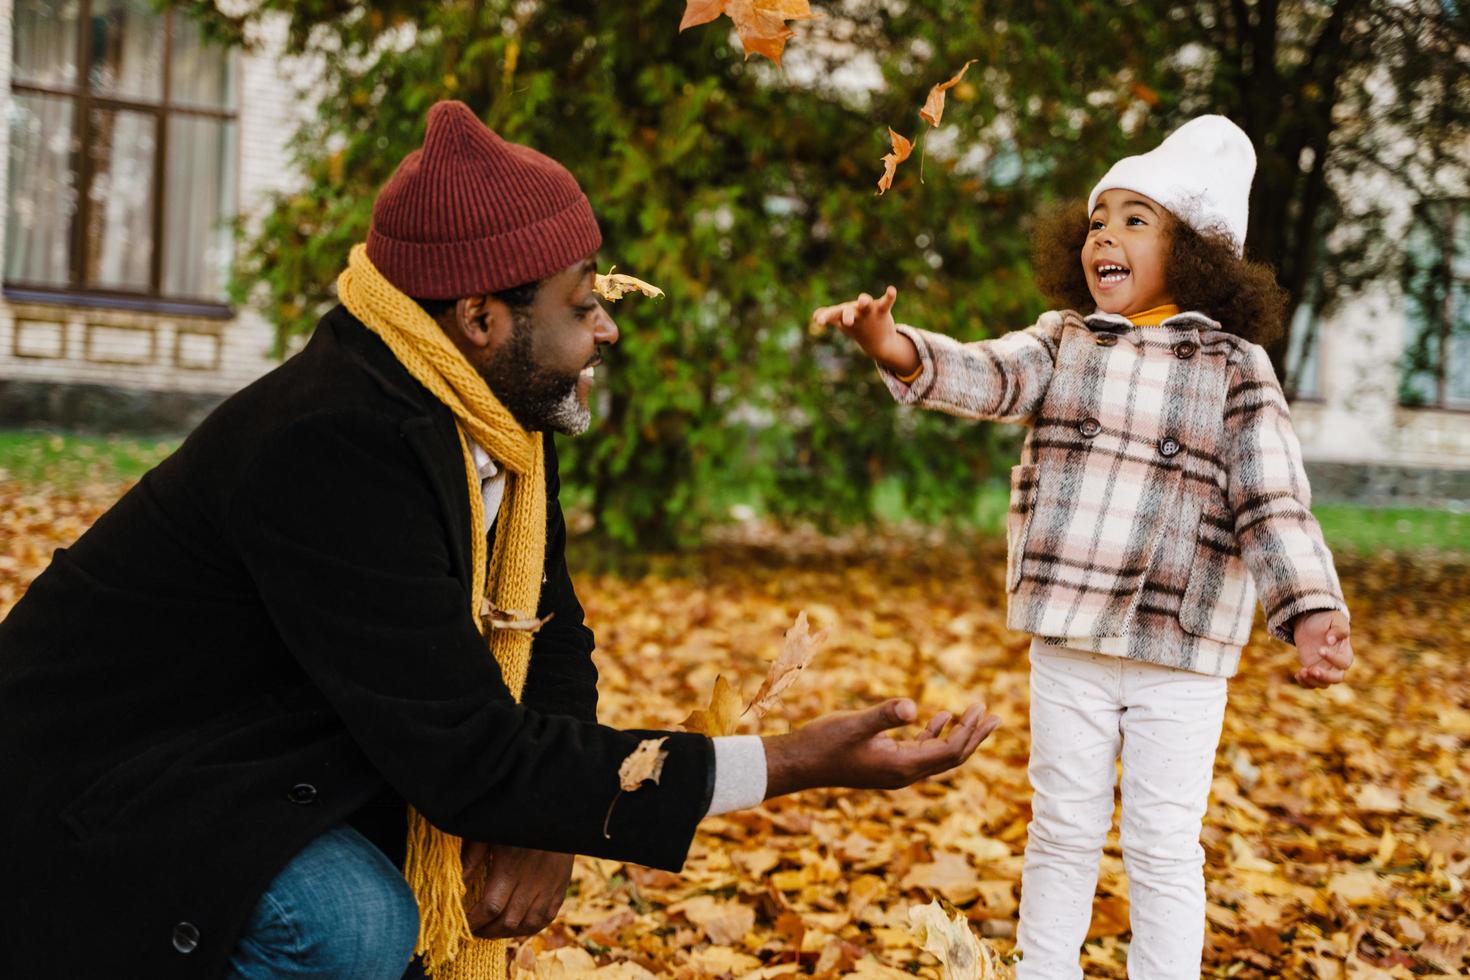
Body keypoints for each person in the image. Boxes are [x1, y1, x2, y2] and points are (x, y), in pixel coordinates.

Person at [0, 100, 1001, 980]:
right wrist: (783, 760)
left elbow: (552, 632)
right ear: (481, 316)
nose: (605, 330)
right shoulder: (332, 444)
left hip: (259, 746)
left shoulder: (490, 408)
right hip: (96, 794)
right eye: (581, 305)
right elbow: (471, 757)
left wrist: (551, 827)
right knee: (349, 922)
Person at [813, 115, 1354, 979]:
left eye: (1136, 218)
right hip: (1070, 634)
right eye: (1098, 220)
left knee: (1164, 844)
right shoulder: (1064, 339)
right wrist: (898, 348)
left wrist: (1311, 607)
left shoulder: (1235, 366)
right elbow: (988, 375)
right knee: (1061, 827)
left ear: (1197, 250)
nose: (1105, 233)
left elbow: (1273, 500)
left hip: (1180, 647)